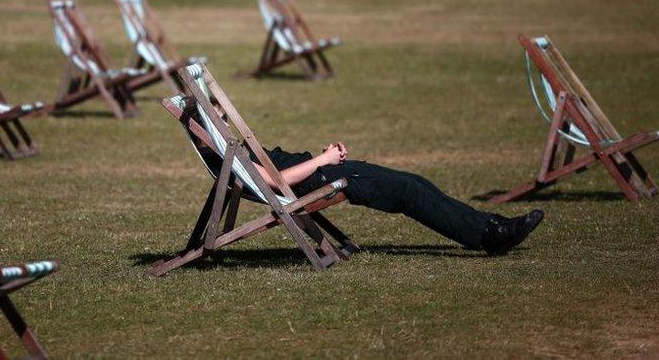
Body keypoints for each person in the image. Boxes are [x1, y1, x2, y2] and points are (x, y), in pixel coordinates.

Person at [201, 141, 544, 256]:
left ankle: (489, 225)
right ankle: (488, 235)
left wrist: (323, 157)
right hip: (324, 178)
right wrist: (322, 162)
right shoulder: (225, 155)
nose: (223, 113)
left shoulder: (225, 149)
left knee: (414, 182)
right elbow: (276, 182)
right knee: (409, 192)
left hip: (325, 171)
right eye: (215, 107)